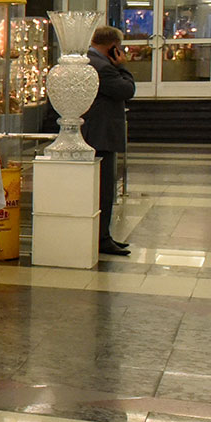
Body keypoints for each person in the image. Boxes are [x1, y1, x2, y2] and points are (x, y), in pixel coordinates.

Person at [86, 25, 135, 255]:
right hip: (101, 135)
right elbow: (127, 90)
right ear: (113, 47)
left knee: (100, 190)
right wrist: (123, 66)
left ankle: (102, 236)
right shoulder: (103, 67)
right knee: (104, 191)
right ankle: (102, 239)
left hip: (94, 133)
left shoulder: (90, 62)